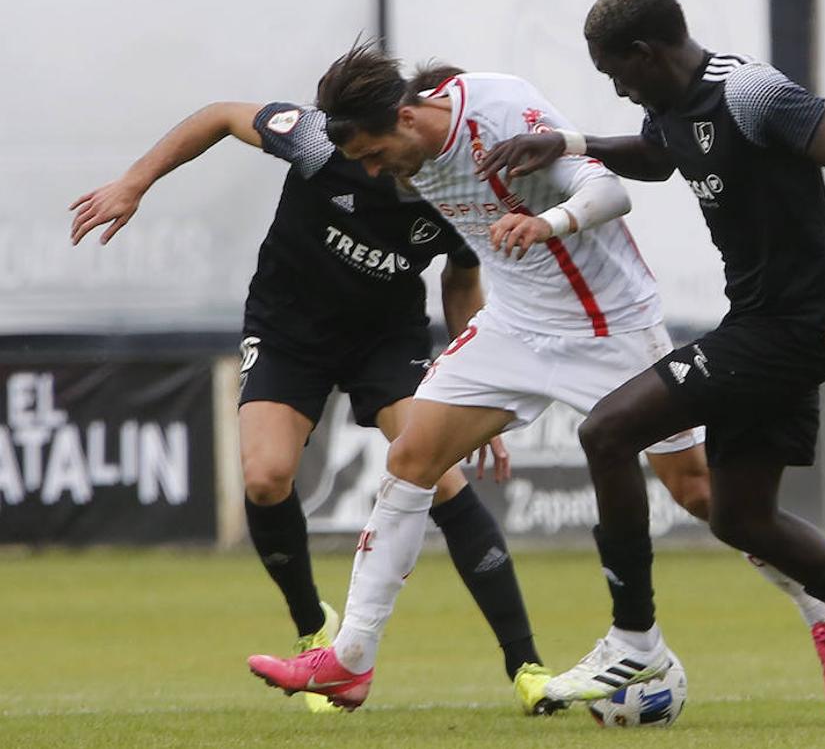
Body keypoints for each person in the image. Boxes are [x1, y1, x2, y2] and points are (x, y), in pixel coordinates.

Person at [247, 47, 825, 713]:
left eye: (375, 153)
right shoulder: (381, 140)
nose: (373, 171)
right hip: (514, 324)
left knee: (699, 493)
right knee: (410, 459)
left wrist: (547, 221)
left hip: (605, 324)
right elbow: (250, 122)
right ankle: (352, 659)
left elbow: (610, 190)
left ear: (406, 116)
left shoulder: (499, 106)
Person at [476, 0, 825, 725]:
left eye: (616, 70)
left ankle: (635, 639)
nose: (615, 86)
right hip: (762, 321)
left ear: (647, 53)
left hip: (790, 328)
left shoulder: (751, 92)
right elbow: (660, 153)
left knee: (606, 432)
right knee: (742, 518)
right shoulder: (671, 105)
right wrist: (574, 144)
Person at [68, 97, 564, 715]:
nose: (388, 165)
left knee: (437, 474)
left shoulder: (453, 184)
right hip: (288, 332)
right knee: (266, 477)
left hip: (386, 342)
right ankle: (313, 631)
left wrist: (479, 381)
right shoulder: (319, 143)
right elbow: (221, 115)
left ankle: (527, 667)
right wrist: (133, 183)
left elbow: (461, 281)